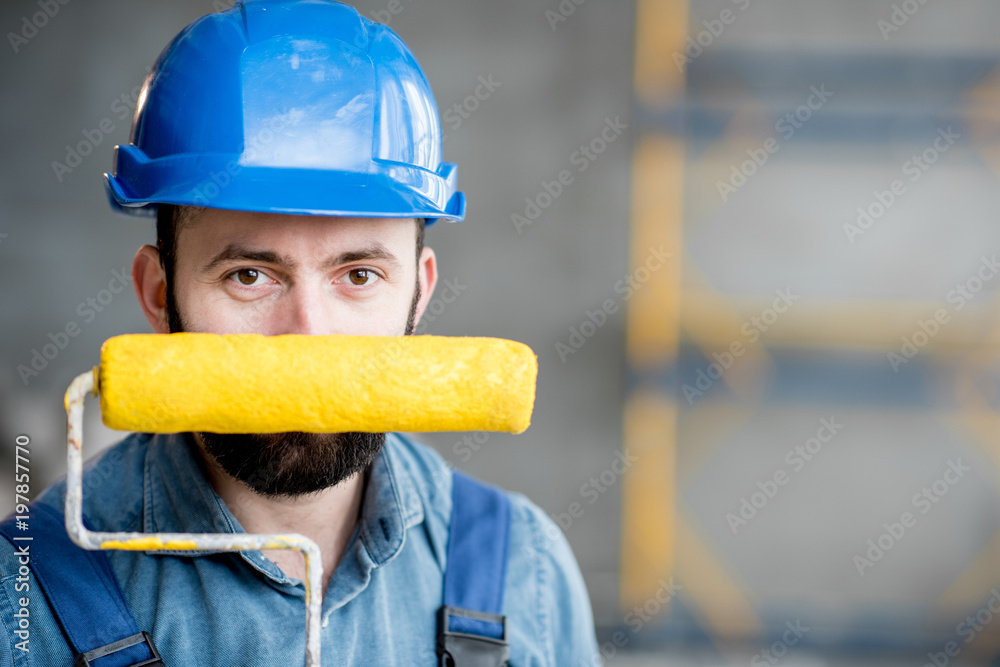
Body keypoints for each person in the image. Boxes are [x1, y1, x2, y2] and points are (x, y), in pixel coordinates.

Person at [0, 1, 600, 665]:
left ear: (420, 293)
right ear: (159, 294)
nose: (307, 333)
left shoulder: (527, 571)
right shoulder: (22, 595)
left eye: (360, 275)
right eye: (250, 275)